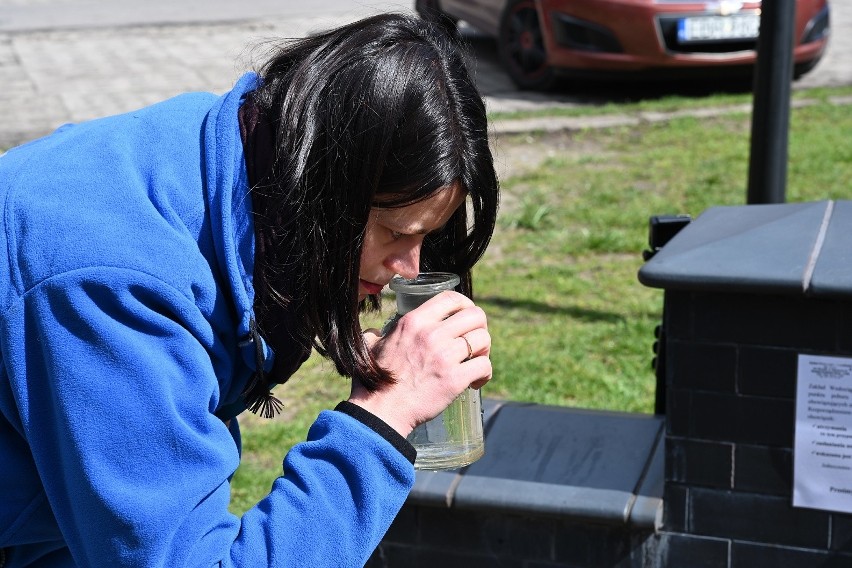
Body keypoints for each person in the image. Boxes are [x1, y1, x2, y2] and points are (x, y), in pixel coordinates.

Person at [0, 12, 499, 568]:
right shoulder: (116, 290)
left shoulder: (230, 153)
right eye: (396, 232)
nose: (410, 268)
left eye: (427, 237)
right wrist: (383, 417)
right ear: (318, 187)